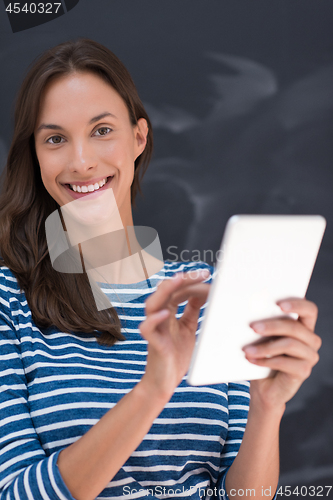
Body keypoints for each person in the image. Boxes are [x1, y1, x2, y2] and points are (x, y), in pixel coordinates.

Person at [0, 38, 321, 500]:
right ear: (35, 156)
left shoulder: (205, 291)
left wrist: (268, 407)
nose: (82, 160)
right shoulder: (10, 300)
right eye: (55, 139)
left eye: (102, 130)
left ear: (139, 138)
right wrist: (154, 388)